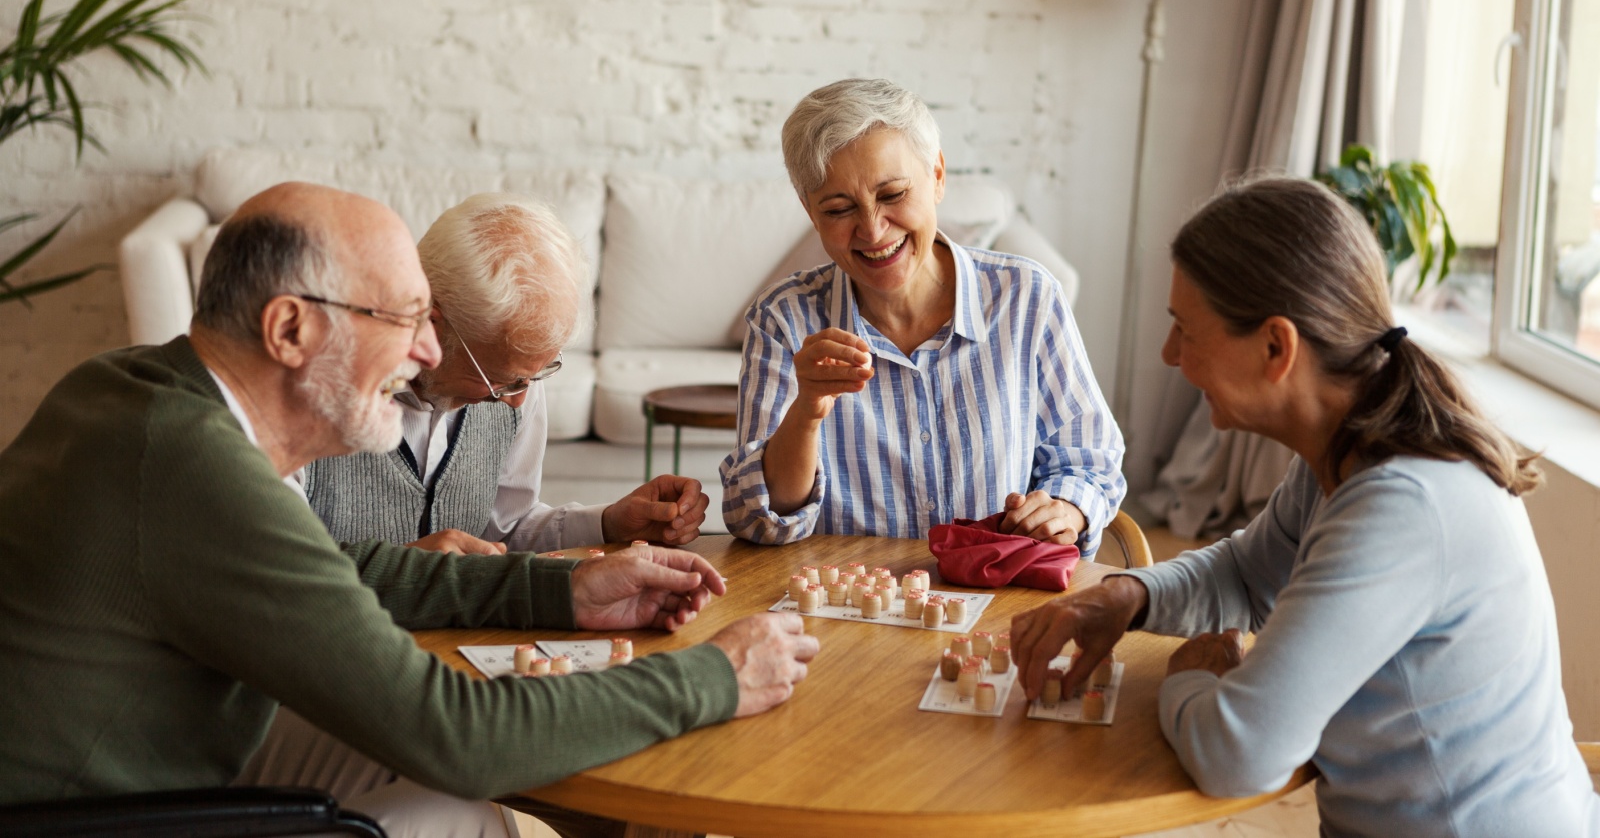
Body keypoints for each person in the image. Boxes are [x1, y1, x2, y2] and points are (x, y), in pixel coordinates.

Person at [0, 182, 818, 838]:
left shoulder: (134, 388)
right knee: (457, 807)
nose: (425, 352)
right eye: (400, 320)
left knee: (463, 808)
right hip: (94, 810)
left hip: (170, 737)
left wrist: (558, 590)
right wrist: (712, 675)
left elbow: (330, 569)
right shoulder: (194, 466)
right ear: (290, 328)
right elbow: (453, 733)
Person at [1009, 177, 1600, 837]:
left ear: (1275, 347)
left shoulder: (1400, 506)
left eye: (1185, 330)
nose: (1169, 355)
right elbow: (1244, 574)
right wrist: (1125, 596)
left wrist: (1189, 677)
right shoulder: (1347, 450)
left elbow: (1241, 755)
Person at [721, 77, 1125, 555]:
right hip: (846, 613)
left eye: (891, 195)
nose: (872, 231)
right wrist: (807, 411)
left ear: (937, 175)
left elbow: (1089, 463)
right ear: (811, 213)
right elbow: (756, 518)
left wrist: (1064, 508)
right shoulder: (782, 319)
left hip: (994, 601)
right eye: (839, 208)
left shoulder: (1027, 297)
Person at [301, 193, 706, 556]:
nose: (516, 400)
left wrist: (609, 524)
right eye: (500, 380)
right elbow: (273, 572)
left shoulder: (519, 376)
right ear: (431, 322)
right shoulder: (310, 392)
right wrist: (409, 565)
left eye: (536, 374)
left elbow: (506, 529)